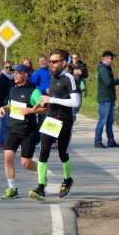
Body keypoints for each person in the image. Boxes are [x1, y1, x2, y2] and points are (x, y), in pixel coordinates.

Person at [29, 49, 81, 201]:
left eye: (54, 61)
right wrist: (43, 104)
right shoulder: (52, 78)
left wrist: (51, 100)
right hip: (50, 119)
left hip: (64, 120)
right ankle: (40, 188)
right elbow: (53, 98)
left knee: (62, 153)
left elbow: (75, 102)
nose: (51, 64)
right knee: (43, 153)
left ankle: (67, 180)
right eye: (50, 61)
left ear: (63, 63)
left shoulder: (69, 78)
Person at [0, 64, 46, 199]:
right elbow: (11, 104)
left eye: (18, 73)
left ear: (26, 75)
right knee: (8, 158)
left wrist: (31, 110)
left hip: (28, 131)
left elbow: (44, 108)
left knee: (26, 163)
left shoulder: (34, 91)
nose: (15, 75)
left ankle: (41, 173)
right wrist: (4, 108)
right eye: (14, 73)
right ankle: (12, 189)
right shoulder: (12, 89)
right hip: (12, 129)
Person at [94, 50, 119, 148]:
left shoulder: (107, 68)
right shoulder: (103, 69)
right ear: (106, 58)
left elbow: (110, 82)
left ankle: (111, 141)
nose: (113, 60)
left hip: (109, 97)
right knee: (102, 120)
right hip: (105, 98)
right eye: (111, 58)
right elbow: (108, 82)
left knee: (110, 121)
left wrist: (118, 81)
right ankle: (97, 141)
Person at [0, 61, 13, 148]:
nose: (9, 69)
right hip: (2, 103)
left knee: (8, 123)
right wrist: (12, 90)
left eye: (10, 67)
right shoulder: (1, 77)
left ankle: (6, 140)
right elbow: (0, 90)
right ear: (3, 68)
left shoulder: (12, 78)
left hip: (9, 103)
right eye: (7, 67)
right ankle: (0, 141)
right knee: (4, 122)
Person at [70, 53, 89, 120]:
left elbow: (86, 75)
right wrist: (73, 72)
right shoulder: (69, 66)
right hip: (70, 87)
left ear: (78, 58)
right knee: (71, 102)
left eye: (76, 58)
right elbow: (65, 74)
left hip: (79, 87)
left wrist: (81, 73)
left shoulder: (82, 66)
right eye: (73, 58)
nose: (74, 59)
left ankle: (74, 113)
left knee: (79, 103)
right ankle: (72, 114)